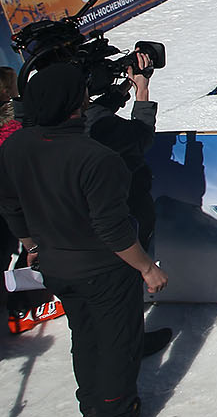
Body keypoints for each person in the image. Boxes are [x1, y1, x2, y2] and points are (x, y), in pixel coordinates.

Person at [0, 61, 169, 417]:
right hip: (104, 269)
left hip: (55, 265)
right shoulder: (96, 158)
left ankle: (91, 403)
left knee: (85, 335)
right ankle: (116, 408)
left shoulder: (16, 146)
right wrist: (147, 268)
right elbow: (113, 228)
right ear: (76, 105)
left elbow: (11, 206)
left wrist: (31, 247)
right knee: (116, 344)